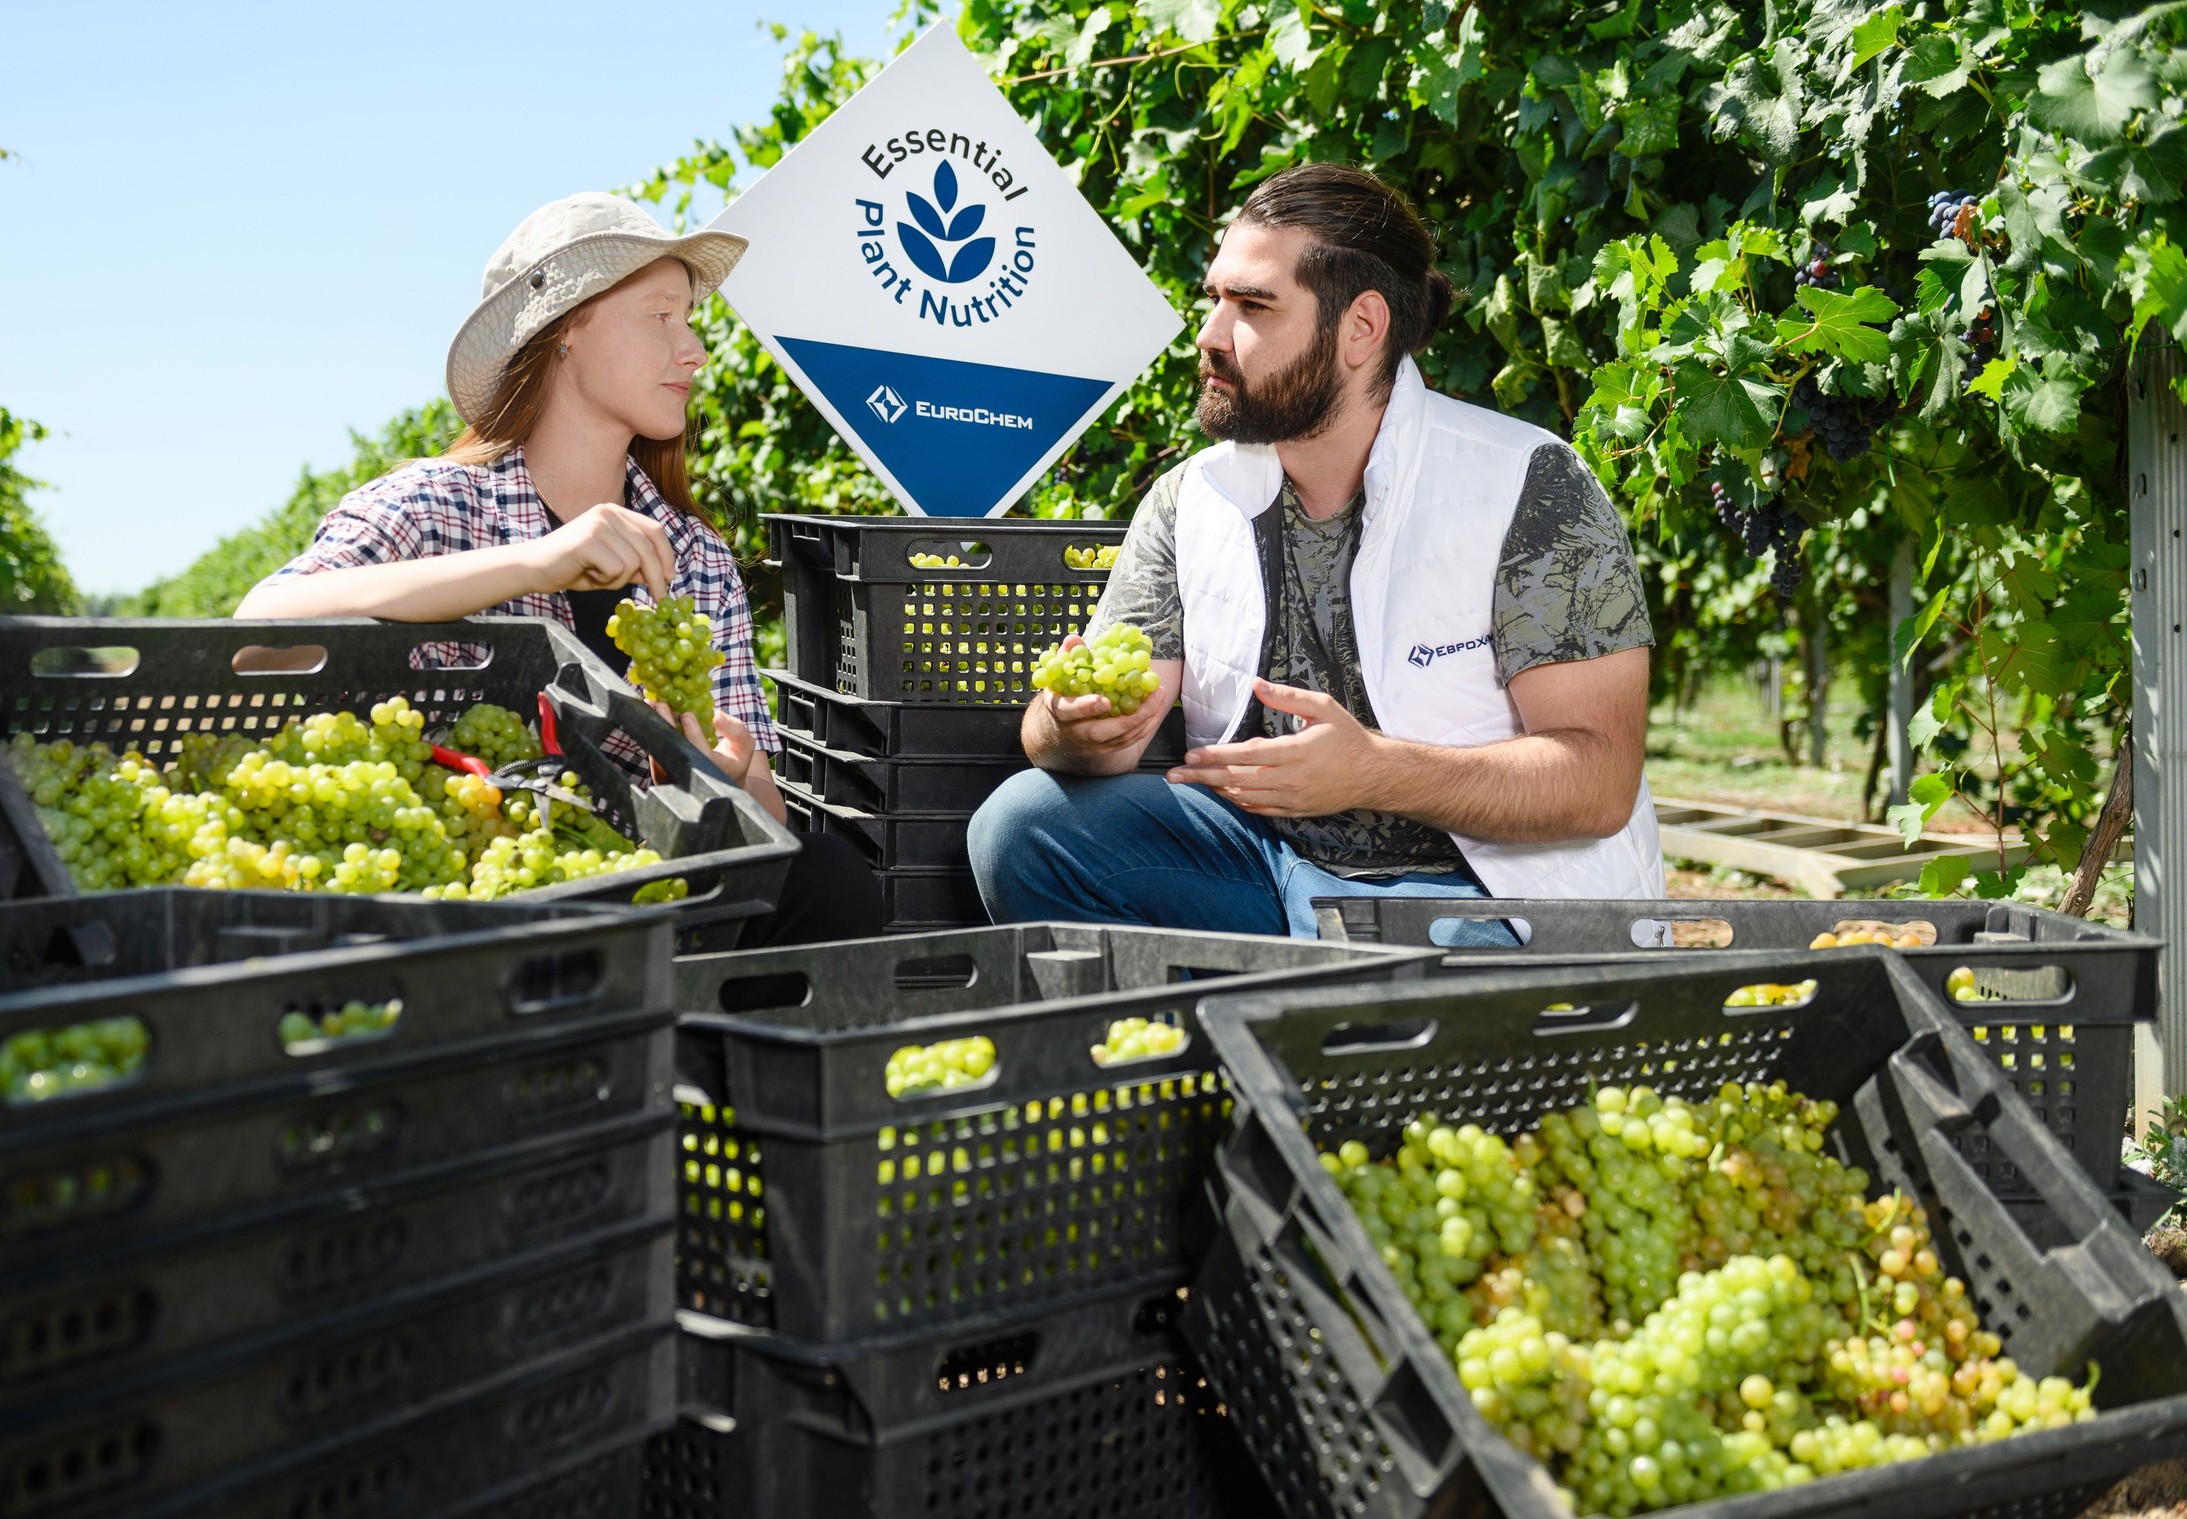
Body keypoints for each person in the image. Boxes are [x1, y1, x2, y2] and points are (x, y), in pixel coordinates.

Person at [968, 163, 1660, 940]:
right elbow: (1083, 729)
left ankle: (1290, 1026)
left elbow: (1599, 781)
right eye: (1215, 300)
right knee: (1024, 827)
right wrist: (1070, 729)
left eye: (1253, 305)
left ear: (1361, 328)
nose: (1210, 335)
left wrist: (1375, 772)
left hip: (1476, 895)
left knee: (1385, 1011)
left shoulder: (1526, 484)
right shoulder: (1192, 498)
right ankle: (1208, 1046)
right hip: (1264, 863)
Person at [239, 191, 877, 946]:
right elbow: (258, 627)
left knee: (831, 876)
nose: (695, 350)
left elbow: (770, 834)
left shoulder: (697, 556)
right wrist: (534, 562)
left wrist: (724, 776)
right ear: (567, 327)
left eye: (689, 320)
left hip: (640, 899)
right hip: (472, 906)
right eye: (661, 316)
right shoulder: (437, 508)